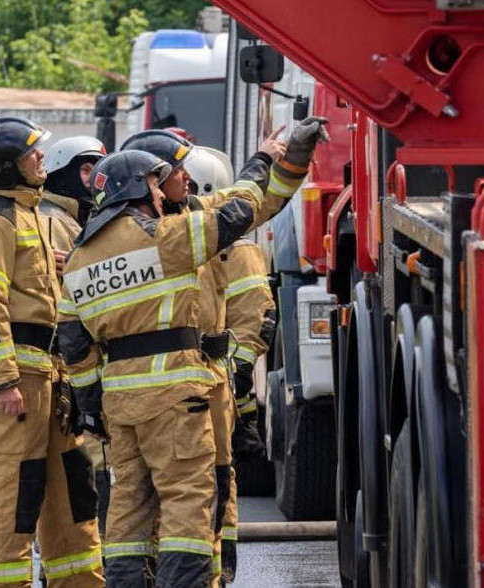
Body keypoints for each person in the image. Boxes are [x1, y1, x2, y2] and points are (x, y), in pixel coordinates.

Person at [60, 118, 324, 587]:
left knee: (127, 508)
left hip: (120, 401)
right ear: (138, 187)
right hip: (175, 393)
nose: (164, 194)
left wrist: (90, 405)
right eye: (156, 185)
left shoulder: (80, 257)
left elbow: (74, 343)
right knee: (188, 501)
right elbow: (239, 214)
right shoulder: (166, 238)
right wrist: (262, 160)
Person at [0, 117, 103, 587]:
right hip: (17, 381)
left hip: (52, 380)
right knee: (11, 496)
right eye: (32, 152)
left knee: (73, 491)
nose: (42, 158)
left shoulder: (32, 214)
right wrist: (1, 380)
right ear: (7, 165)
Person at [185, 144, 279, 584]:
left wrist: (236, 381)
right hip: (206, 382)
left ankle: (217, 572)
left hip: (218, 382)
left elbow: (253, 323)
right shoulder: (185, 238)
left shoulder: (236, 251)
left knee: (216, 482)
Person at [39, 135, 113, 535]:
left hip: (86, 362)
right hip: (66, 366)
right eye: (85, 169)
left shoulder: (81, 220)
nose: (94, 178)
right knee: (77, 479)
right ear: (63, 173)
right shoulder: (53, 221)